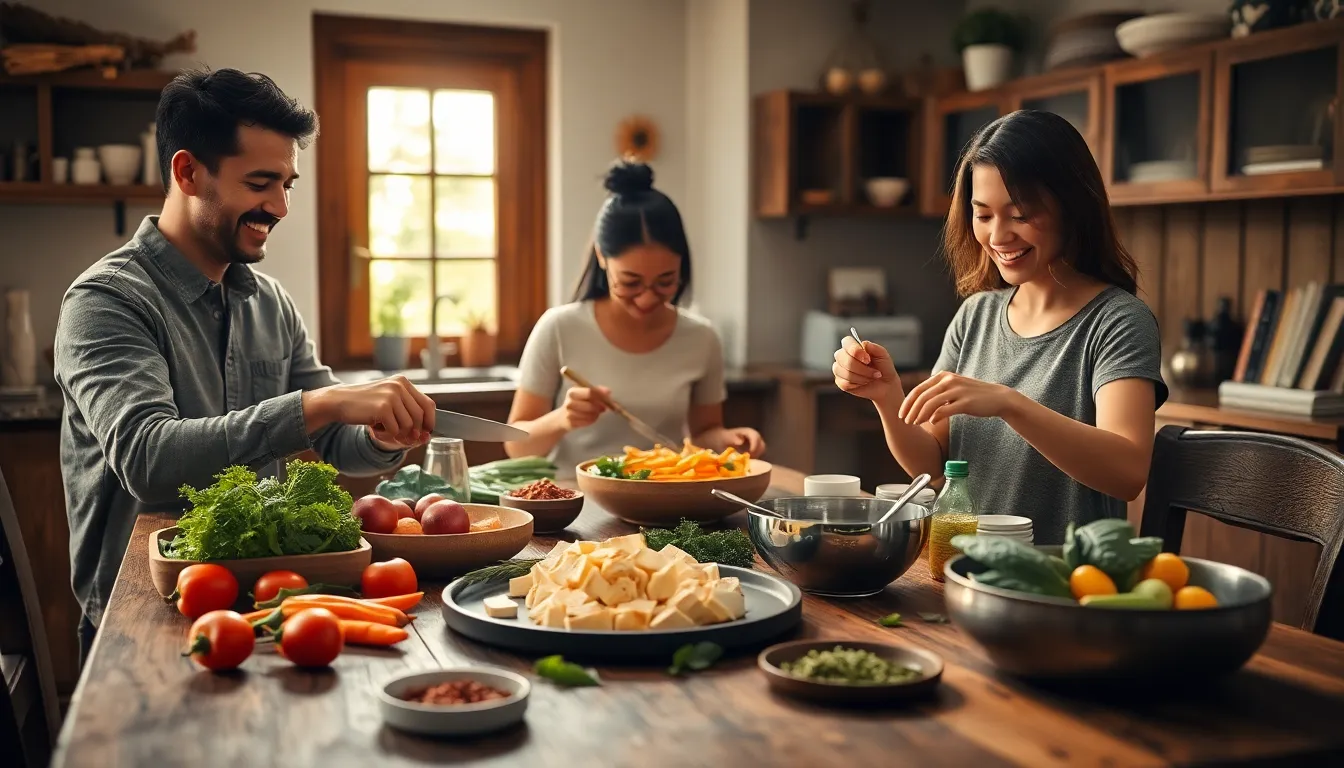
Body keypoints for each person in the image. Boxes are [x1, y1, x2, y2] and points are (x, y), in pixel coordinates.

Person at [53, 69, 437, 662]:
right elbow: (149, 461)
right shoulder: (106, 301)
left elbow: (338, 441)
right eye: (260, 183)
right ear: (187, 172)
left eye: (287, 184)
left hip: (274, 605)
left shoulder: (270, 303)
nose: (279, 206)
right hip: (143, 622)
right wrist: (320, 404)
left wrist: (384, 436)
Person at [832, 109, 1167, 545]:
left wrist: (1011, 404)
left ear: (1072, 206)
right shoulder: (975, 315)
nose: (997, 235)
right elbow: (933, 465)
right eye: (983, 214)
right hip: (964, 569)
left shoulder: (1118, 321)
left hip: (1067, 583)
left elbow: (1127, 473)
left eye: (1020, 214)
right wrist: (885, 394)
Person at [505, 160, 765, 476]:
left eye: (665, 282)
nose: (646, 298)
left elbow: (704, 434)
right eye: (630, 282)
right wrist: (563, 419)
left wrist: (729, 440)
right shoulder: (559, 328)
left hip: (664, 497)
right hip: (574, 501)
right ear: (602, 256)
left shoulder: (702, 338)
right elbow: (516, 446)